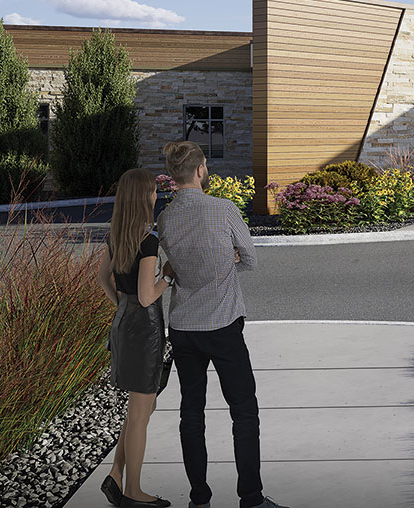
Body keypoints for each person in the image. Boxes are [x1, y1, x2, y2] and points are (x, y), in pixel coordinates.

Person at [157, 141, 288, 508]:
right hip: (224, 325)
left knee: (190, 413)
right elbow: (249, 259)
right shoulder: (223, 208)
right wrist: (227, 260)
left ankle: (199, 499)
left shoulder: (165, 218)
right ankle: (251, 498)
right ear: (200, 171)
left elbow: (173, 267)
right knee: (244, 411)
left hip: (183, 327)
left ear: (173, 175)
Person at [96, 168, 171, 508]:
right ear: (144, 197)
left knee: (141, 406)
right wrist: (167, 277)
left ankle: (115, 472)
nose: (156, 195)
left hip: (123, 324)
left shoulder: (117, 235)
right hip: (145, 331)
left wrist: (121, 305)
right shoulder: (147, 241)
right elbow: (146, 295)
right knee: (141, 411)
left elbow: (102, 278)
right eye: (153, 191)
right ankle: (133, 492)